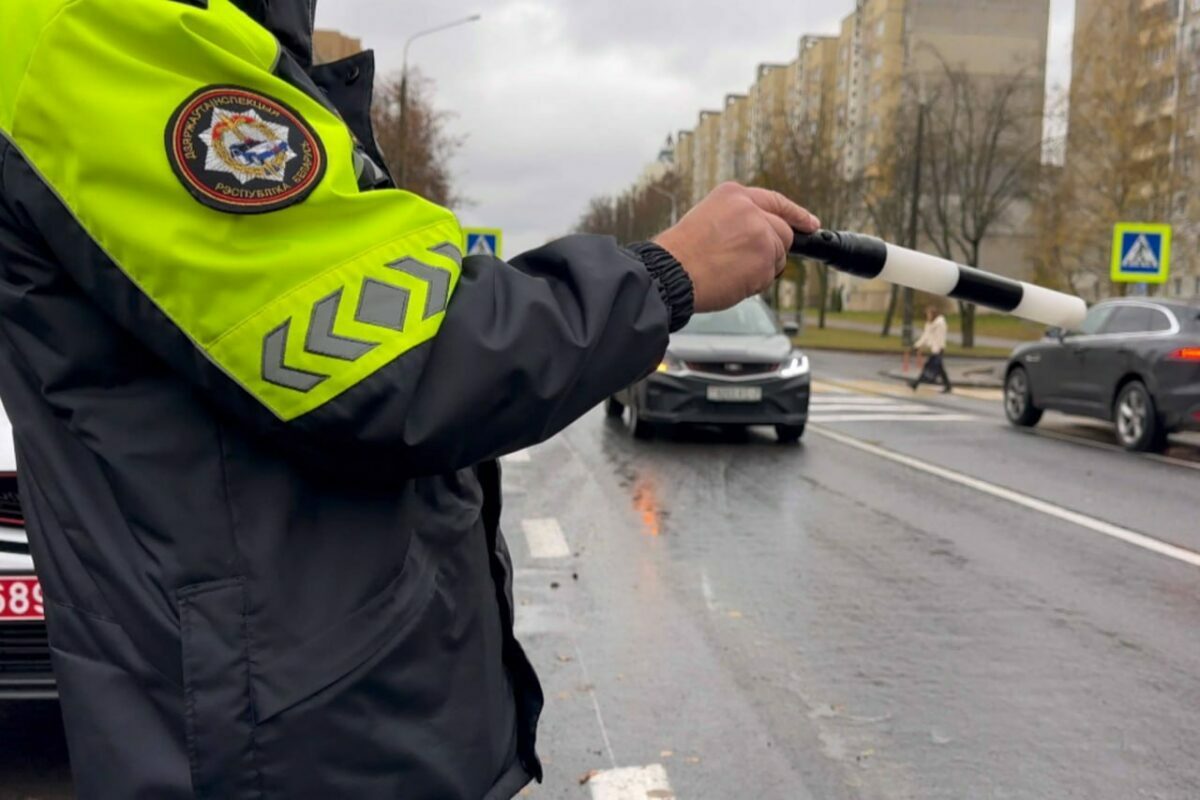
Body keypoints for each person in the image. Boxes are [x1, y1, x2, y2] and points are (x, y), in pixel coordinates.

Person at [0, 2, 819, 798]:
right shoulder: (97, 27)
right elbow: (396, 358)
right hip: (287, 748)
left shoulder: (190, 39)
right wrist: (663, 274)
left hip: (321, 723)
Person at [910, 304, 953, 393]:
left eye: (928, 314)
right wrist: (917, 346)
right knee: (940, 369)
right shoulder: (930, 324)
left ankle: (916, 384)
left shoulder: (940, 324)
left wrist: (939, 349)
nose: (927, 316)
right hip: (934, 350)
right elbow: (925, 336)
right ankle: (948, 386)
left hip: (938, 350)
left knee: (928, 367)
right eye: (927, 314)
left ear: (933, 314)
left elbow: (940, 337)